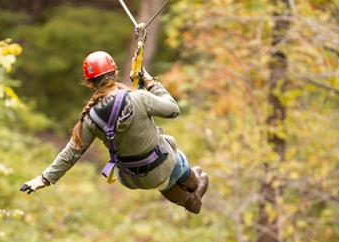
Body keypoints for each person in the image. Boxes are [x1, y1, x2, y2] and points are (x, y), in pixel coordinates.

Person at [20, 51, 209, 213]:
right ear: (115, 72)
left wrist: (43, 179)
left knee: (161, 180)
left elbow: (71, 154)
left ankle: (190, 201)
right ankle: (194, 188)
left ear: (89, 83)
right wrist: (151, 83)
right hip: (163, 165)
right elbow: (173, 110)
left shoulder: (90, 118)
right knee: (179, 158)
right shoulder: (139, 98)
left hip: (132, 178)